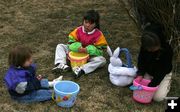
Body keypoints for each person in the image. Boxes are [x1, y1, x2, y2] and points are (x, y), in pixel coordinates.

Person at [52, 10, 108, 78]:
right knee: (60, 46)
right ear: (83, 21)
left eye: (90, 23)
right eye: (86, 22)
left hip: (89, 56)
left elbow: (100, 50)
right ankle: (61, 64)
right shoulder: (78, 30)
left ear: (95, 24)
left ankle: (81, 69)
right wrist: (77, 47)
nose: (87, 25)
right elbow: (70, 42)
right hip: (74, 52)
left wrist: (88, 50)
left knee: (102, 60)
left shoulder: (99, 35)